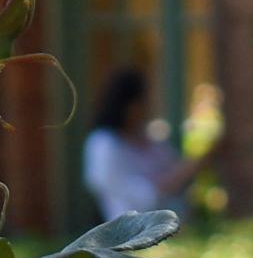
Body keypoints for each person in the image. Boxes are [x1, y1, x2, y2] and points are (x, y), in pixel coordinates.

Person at [80, 63, 201, 222]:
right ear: (127, 105)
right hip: (131, 235)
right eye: (143, 102)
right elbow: (143, 198)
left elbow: (174, 169)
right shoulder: (103, 144)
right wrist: (198, 163)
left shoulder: (149, 138)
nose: (147, 108)